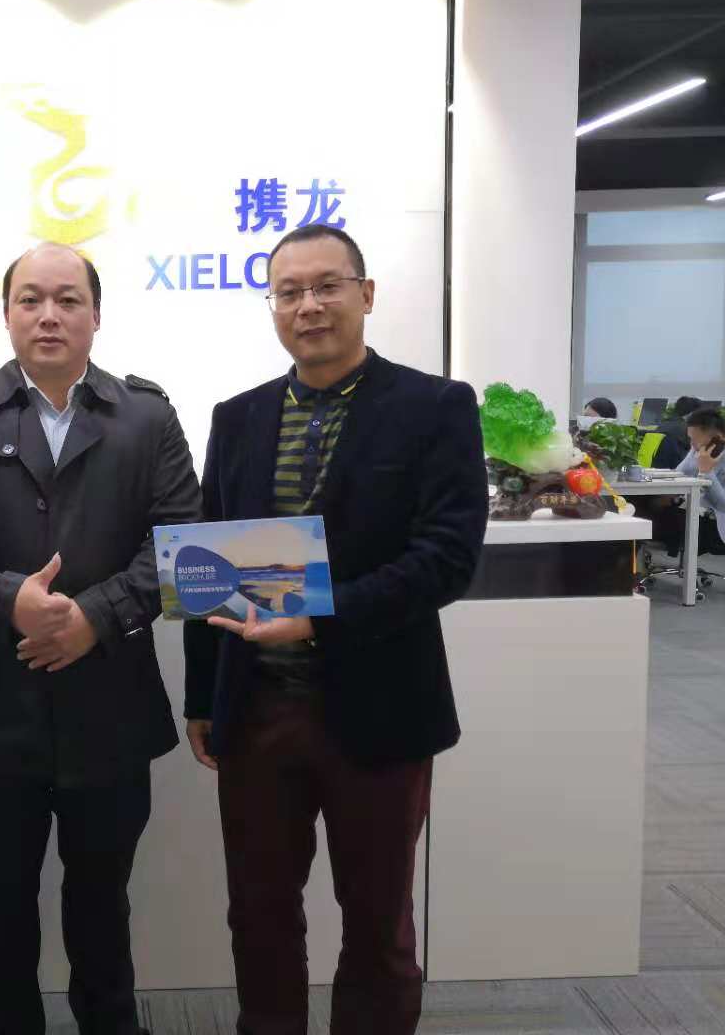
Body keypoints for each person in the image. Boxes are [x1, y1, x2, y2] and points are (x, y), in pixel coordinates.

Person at [183, 224, 488, 1035]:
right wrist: (202, 696)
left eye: (327, 286)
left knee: (378, 916)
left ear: (366, 294)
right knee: (258, 910)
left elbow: (447, 560)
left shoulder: (434, 407)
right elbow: (210, 560)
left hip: (381, 707)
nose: (308, 306)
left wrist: (318, 620)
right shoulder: (238, 417)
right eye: (289, 291)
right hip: (257, 709)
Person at [0, 242, 201, 1035]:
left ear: (96, 315)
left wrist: (94, 616)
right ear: (6, 314)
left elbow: (181, 542)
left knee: (103, 899)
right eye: (30, 299)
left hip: (112, 706)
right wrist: (10, 600)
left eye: (68, 300)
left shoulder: (147, 416)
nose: (49, 315)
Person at [655, 406, 725, 558]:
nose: (692, 445)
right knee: (644, 505)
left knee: (655, 517)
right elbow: (680, 473)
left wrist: (707, 471)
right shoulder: (700, 446)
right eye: (690, 439)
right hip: (697, 507)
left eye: (694, 440)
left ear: (716, 439)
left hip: (724, 519)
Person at [651, 395, 700, 470]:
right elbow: (692, 452)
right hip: (674, 469)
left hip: (654, 468)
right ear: (691, 414)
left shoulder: (663, 424)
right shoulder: (685, 429)